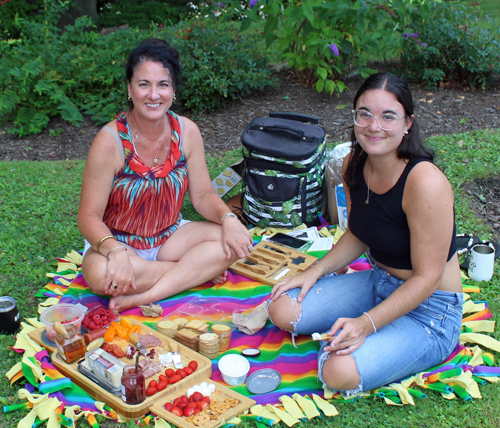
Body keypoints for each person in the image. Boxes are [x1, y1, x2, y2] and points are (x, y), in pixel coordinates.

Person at [268, 73, 463, 396]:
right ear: (354, 117)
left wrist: (365, 324)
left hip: (431, 311)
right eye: (365, 114)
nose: (374, 126)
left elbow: (427, 279)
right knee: (284, 309)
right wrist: (314, 271)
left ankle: (368, 342)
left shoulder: (425, 182)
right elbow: (359, 232)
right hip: (380, 283)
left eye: (388, 116)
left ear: (407, 123)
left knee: (338, 371)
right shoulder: (353, 164)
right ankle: (362, 335)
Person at [77, 39, 252, 313]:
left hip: (168, 236)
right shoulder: (109, 142)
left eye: (163, 85)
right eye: (144, 84)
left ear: (174, 90)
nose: (153, 95)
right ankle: (189, 274)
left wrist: (228, 219)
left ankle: (143, 295)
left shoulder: (187, 132)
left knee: (227, 244)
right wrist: (114, 251)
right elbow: (87, 217)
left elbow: (204, 195)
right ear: (129, 89)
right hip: (118, 241)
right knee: (102, 276)